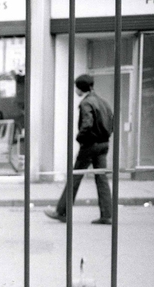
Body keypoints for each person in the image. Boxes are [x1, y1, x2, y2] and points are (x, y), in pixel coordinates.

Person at [45, 74, 113, 225]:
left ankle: (62, 211)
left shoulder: (86, 103)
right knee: (101, 178)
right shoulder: (103, 102)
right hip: (103, 144)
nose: (75, 90)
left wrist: (80, 138)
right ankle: (107, 214)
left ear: (80, 88)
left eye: (76, 87)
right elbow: (111, 122)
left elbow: (87, 124)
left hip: (89, 145)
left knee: (75, 177)